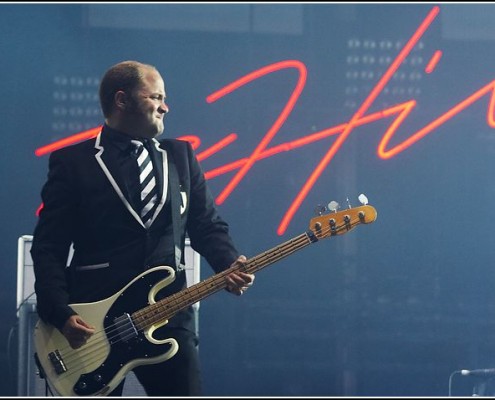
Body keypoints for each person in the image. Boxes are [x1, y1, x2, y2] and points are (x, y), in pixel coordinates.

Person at [30, 60, 255, 396]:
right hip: (95, 326)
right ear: (122, 100)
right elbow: (48, 246)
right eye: (156, 97)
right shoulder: (73, 162)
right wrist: (60, 313)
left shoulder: (181, 156)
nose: (166, 106)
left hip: (168, 314)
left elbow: (206, 225)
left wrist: (228, 263)